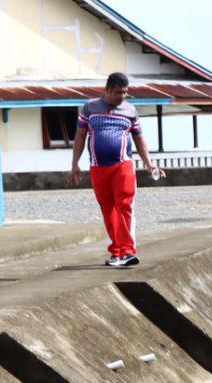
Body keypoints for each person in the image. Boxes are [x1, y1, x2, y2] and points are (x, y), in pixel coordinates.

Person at [69, 72, 164, 268]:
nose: (122, 96)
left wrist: (149, 163)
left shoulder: (130, 110)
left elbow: (139, 138)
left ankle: (127, 251)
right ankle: (117, 251)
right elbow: (80, 136)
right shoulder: (89, 108)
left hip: (123, 165)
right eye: (119, 92)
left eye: (125, 92)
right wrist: (74, 164)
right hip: (98, 167)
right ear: (108, 90)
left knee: (124, 205)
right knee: (108, 210)